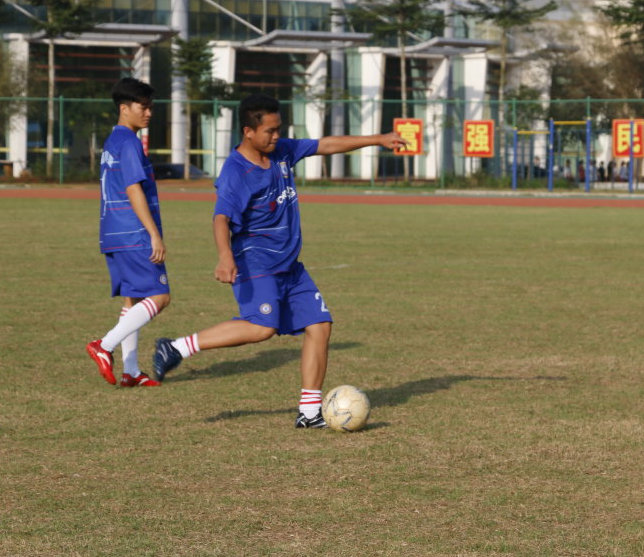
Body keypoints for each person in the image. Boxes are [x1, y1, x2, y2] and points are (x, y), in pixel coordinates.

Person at [151, 93, 407, 428]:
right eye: (269, 131)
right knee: (262, 327)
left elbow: (326, 144)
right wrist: (225, 256)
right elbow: (221, 218)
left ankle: (309, 413)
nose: (276, 136)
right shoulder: (236, 172)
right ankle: (176, 347)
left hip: (290, 266)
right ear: (248, 132)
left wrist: (378, 139)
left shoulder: (282, 151)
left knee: (320, 325)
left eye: (279, 129)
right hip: (255, 263)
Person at [86, 77, 170, 387]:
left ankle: (131, 371)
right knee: (160, 296)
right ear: (124, 108)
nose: (149, 113)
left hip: (113, 232)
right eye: (143, 107)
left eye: (150, 107)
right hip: (134, 233)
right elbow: (133, 188)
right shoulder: (130, 142)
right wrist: (154, 234)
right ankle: (104, 346)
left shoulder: (113, 140)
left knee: (133, 299)